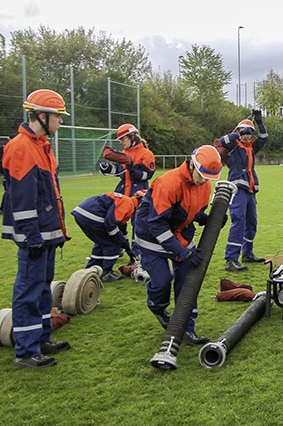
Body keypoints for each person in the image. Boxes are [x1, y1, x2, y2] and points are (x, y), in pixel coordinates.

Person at [0, 89, 71, 368]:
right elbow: (23, 198)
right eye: (58, 117)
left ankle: (41, 338)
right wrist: (31, 235)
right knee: (29, 289)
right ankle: (26, 352)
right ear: (42, 116)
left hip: (47, 232)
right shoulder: (22, 147)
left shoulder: (41, 145)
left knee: (42, 288)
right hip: (35, 235)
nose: (60, 122)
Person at [133, 145, 222, 345]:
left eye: (209, 177)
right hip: (152, 239)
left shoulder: (204, 184)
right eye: (202, 175)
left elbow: (192, 210)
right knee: (162, 280)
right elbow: (156, 224)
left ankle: (187, 329)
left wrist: (206, 219)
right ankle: (158, 307)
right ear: (192, 165)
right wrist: (181, 251)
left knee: (188, 281)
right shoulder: (168, 183)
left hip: (180, 234)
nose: (204, 181)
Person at [216, 110, 268, 272]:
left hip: (251, 190)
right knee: (238, 222)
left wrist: (259, 122)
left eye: (249, 132)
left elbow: (264, 138)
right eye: (244, 132)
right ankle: (231, 259)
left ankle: (247, 253)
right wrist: (237, 134)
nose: (247, 135)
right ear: (238, 132)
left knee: (251, 223)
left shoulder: (251, 146)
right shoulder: (233, 145)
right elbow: (222, 141)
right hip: (237, 190)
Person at [71, 191, 143, 281]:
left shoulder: (127, 202)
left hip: (82, 214)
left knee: (101, 243)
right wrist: (119, 241)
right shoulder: (128, 204)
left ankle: (92, 269)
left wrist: (127, 247)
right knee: (112, 244)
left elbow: (122, 229)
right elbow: (110, 225)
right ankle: (106, 273)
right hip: (92, 216)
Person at [98, 124, 156, 197]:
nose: (121, 142)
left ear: (132, 137)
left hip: (138, 192)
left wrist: (132, 170)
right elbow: (119, 170)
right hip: (122, 190)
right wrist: (108, 168)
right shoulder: (124, 153)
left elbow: (147, 175)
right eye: (120, 139)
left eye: (123, 139)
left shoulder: (146, 154)